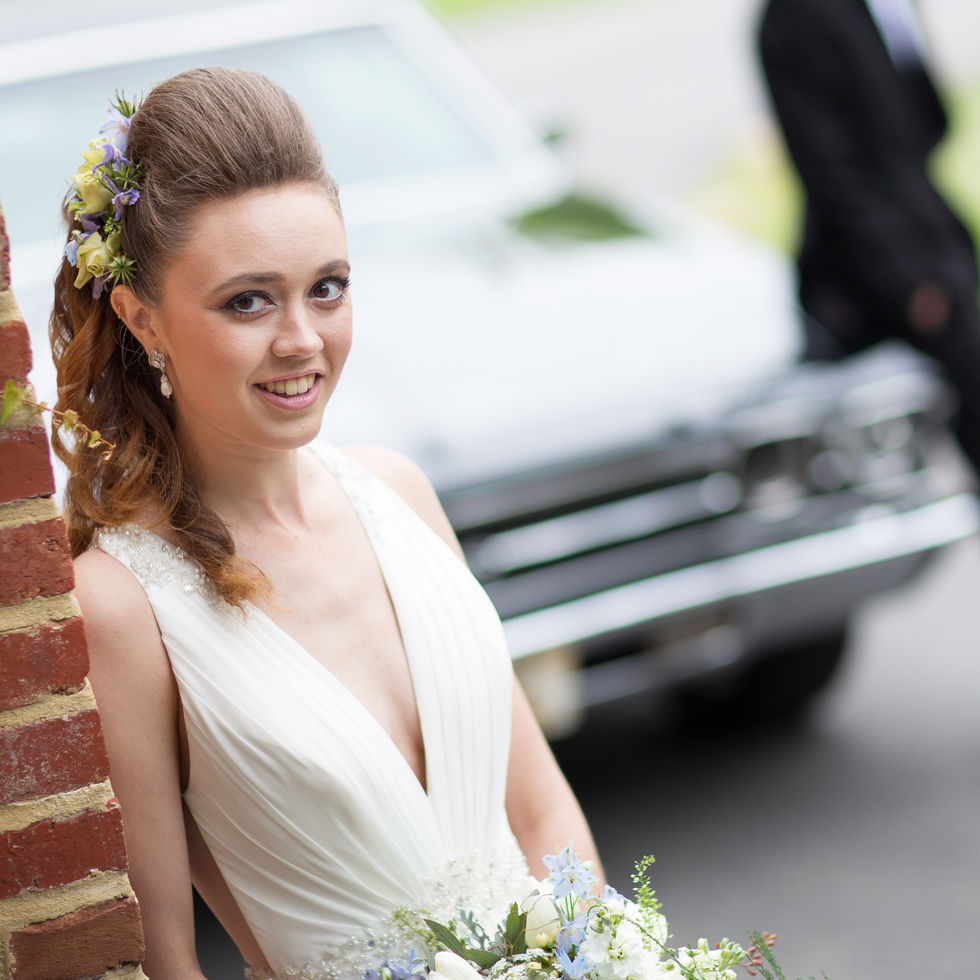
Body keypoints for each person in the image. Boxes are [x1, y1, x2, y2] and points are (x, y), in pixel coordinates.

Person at [53, 67, 601, 980]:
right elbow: (164, 964)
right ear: (142, 316)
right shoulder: (122, 607)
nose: (302, 339)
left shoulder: (402, 496)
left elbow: (543, 820)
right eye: (248, 300)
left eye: (329, 287)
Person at [757, 0, 980, 476]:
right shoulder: (793, 19)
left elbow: (927, 121)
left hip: (934, 242)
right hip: (878, 274)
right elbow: (833, 177)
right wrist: (910, 284)